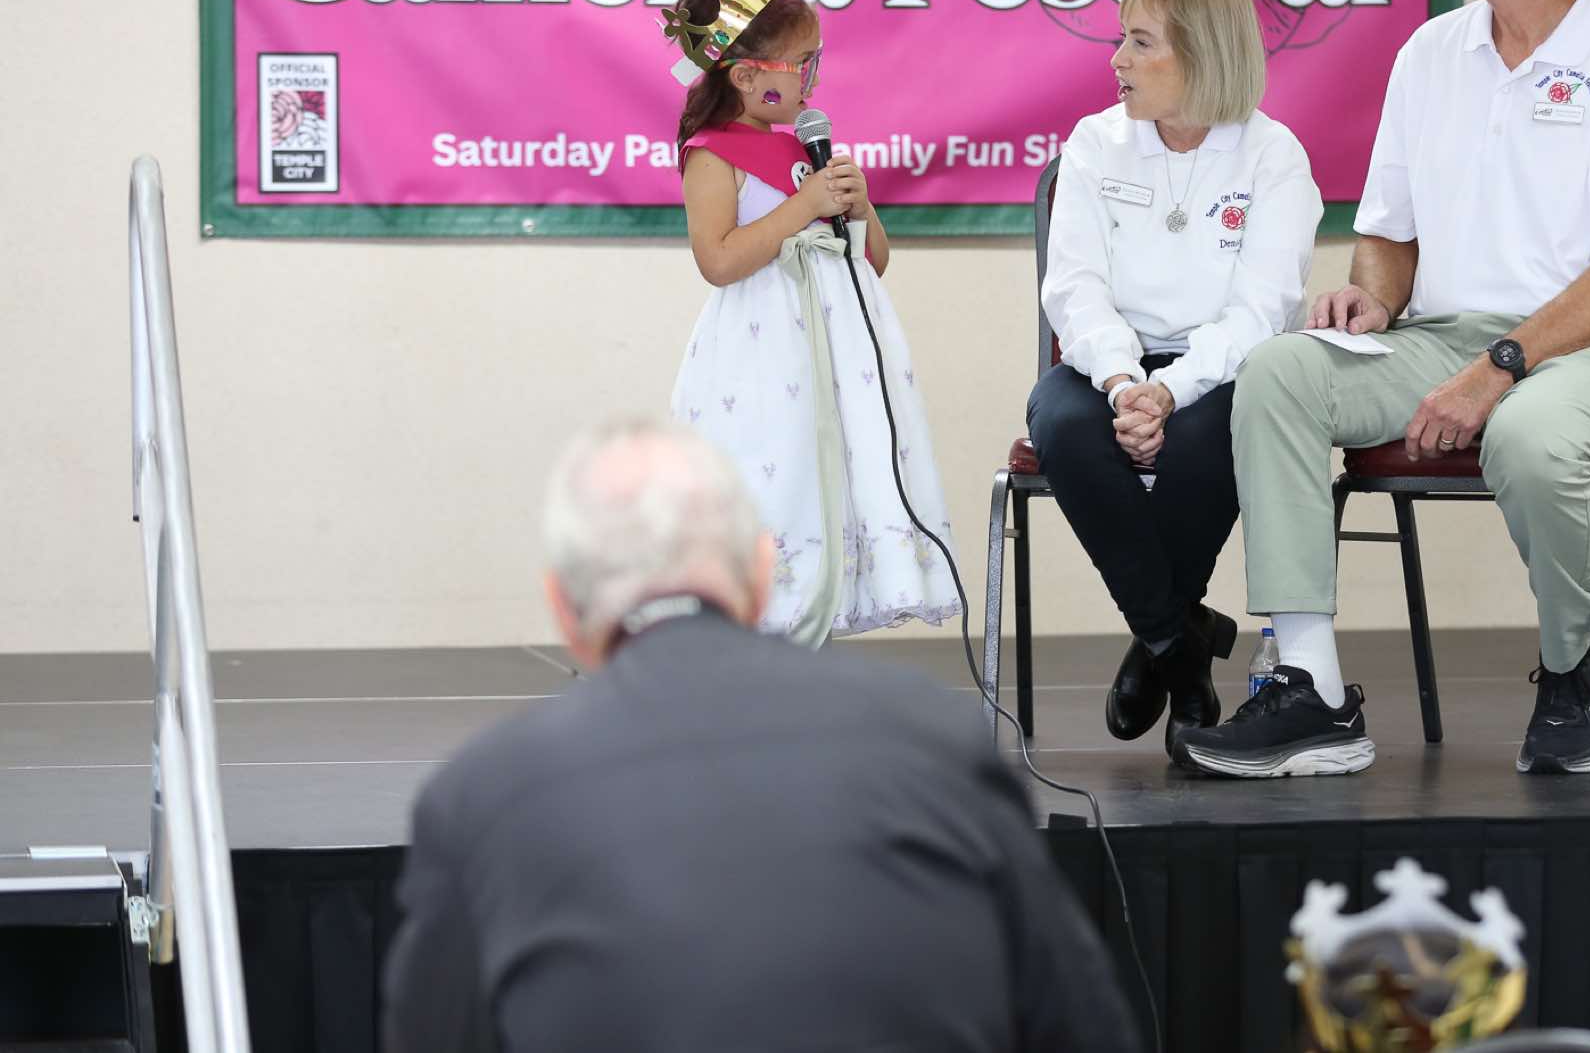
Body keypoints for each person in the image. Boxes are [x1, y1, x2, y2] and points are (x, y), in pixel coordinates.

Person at [1177, 0, 1590, 779]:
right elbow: (1388, 233)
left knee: (1530, 432)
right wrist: (1372, 300)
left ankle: (1576, 665)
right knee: (1281, 370)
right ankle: (1310, 690)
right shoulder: (1429, 54)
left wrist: (1499, 368)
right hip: (1442, 338)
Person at [382, 420, 1142, 1053]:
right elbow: (1083, 1026)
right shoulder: (936, 738)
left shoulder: (481, 798)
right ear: (760, 575)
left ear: (564, 610)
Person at [1030, 0, 1323, 757]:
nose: (1117, 59)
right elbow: (1075, 289)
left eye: (1139, 42)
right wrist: (1125, 381)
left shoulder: (1273, 156)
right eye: (1121, 39)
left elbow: (1262, 311)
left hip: (1225, 370)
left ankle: (1162, 639)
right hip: (1111, 366)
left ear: (1200, 53)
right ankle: (1179, 646)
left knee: (1215, 434)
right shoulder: (1095, 142)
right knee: (1061, 424)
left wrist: (1170, 391)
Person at [664, 0, 957, 644]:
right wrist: (803, 207)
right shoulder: (713, 155)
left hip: (838, 354)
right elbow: (718, 260)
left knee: (836, 473)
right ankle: (759, 625)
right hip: (765, 355)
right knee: (777, 472)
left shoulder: (805, 148)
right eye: (803, 63)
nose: (814, 77)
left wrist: (860, 207)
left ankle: (816, 618)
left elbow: (872, 261)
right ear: (745, 75)